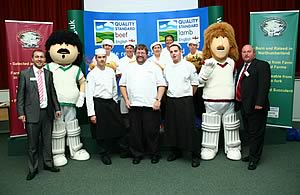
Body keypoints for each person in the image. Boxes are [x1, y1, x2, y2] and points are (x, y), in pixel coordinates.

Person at [198, 22, 241, 161]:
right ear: (209, 44)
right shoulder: (207, 62)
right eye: (216, 39)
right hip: (211, 101)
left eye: (224, 39)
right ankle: (209, 147)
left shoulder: (232, 63)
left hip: (229, 101)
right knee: (211, 124)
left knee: (231, 124)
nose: (221, 44)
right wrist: (206, 71)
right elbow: (199, 81)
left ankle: (233, 147)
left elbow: (236, 81)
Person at [16, 49, 61, 181]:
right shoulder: (24, 74)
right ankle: (33, 169)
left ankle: (48, 164)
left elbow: (52, 92)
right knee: (33, 144)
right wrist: (21, 113)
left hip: (47, 113)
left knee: (47, 142)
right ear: (32, 59)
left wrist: (57, 108)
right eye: (37, 57)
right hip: (31, 114)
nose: (40, 59)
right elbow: (20, 96)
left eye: (42, 57)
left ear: (45, 59)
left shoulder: (48, 74)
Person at [119, 44, 166, 164]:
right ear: (135, 54)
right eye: (138, 52)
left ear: (147, 54)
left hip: (151, 106)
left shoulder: (154, 67)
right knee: (135, 132)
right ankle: (137, 154)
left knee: (152, 132)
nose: (140, 55)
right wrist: (126, 100)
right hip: (134, 105)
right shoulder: (129, 68)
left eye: (142, 53)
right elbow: (122, 85)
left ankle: (154, 153)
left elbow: (161, 84)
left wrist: (158, 100)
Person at [86, 48, 126, 165]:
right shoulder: (92, 75)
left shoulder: (110, 72)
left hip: (111, 103)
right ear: (96, 59)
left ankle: (122, 150)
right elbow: (89, 95)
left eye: (103, 57)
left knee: (119, 125)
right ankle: (104, 154)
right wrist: (91, 113)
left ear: (106, 58)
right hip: (98, 104)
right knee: (101, 131)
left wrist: (114, 101)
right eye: (99, 57)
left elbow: (114, 88)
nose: (102, 59)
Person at [163, 42, 201, 168]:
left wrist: (188, 96)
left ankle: (194, 154)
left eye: (176, 51)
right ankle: (176, 151)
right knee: (172, 127)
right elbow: (166, 84)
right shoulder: (167, 67)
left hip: (186, 100)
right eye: (171, 52)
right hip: (171, 100)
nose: (174, 53)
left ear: (181, 52)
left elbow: (195, 84)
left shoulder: (188, 65)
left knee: (189, 127)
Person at [235, 44, 271, 170]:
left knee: (257, 133)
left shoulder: (262, 65)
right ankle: (252, 155)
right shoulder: (241, 67)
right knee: (250, 132)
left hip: (257, 107)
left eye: (249, 51)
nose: (246, 54)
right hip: (245, 106)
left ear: (254, 53)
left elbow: (264, 85)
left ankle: (254, 159)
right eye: (244, 51)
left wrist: (260, 103)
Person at [184, 38, 205, 130]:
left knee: (201, 105)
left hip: (201, 85)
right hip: (191, 85)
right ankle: (196, 124)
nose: (192, 47)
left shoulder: (202, 55)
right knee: (194, 105)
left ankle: (204, 123)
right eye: (191, 45)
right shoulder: (186, 57)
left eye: (194, 45)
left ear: (197, 46)